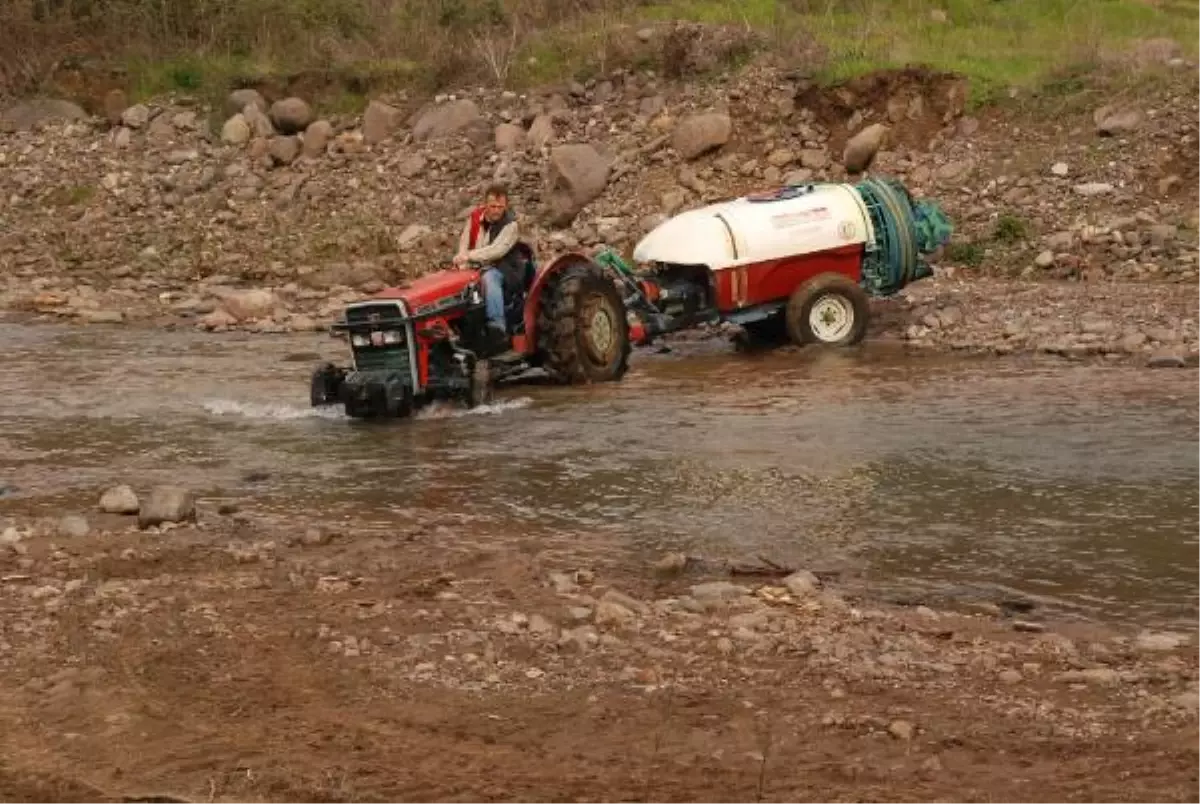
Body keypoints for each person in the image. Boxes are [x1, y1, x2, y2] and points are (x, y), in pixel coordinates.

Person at [453, 183, 523, 343]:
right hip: (477, 265)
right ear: (485, 205)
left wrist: (468, 256)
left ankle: (497, 326)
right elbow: (464, 241)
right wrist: (461, 257)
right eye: (493, 206)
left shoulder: (511, 225)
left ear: (506, 206)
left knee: (490, 279)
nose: (497, 210)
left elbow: (496, 251)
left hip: (504, 269)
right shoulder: (475, 218)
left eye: (500, 206)